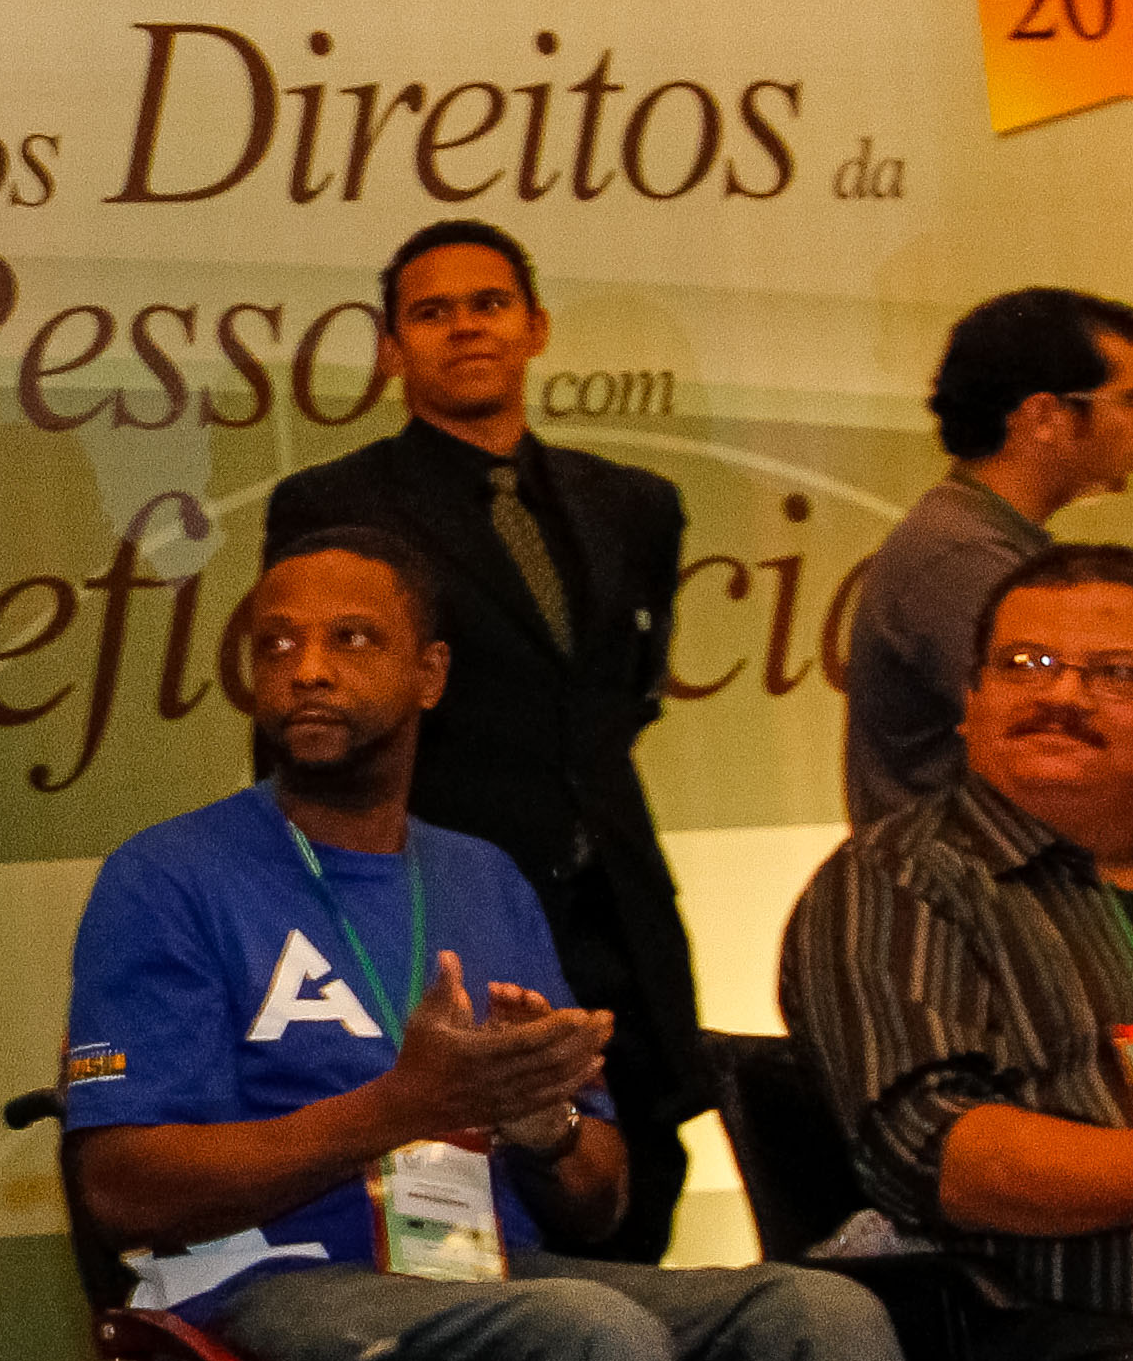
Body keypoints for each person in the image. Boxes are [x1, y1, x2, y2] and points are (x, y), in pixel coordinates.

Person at [63, 529, 888, 1359]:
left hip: (488, 1275)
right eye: (276, 644)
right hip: (268, 1285)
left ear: (430, 674)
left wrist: (545, 1126)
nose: (307, 668)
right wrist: (404, 1105)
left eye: (351, 638)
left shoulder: (484, 879)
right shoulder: (167, 877)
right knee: (588, 1328)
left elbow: (598, 1203)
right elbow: (123, 1190)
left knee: (817, 1310)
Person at [262, 219, 701, 1262]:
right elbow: (310, 728)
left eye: (489, 303)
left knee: (638, 1219)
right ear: (389, 349)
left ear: (534, 327)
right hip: (442, 922)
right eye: (432, 311)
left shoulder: (636, 505)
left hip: (619, 929)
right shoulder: (334, 504)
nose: (465, 327)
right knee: (464, 1254)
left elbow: (619, 701)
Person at [787, 544, 1133, 1357]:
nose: (1060, 695)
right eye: (1023, 664)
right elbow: (935, 1151)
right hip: (1027, 1326)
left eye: (1116, 673)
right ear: (971, 701)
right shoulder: (899, 879)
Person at [843, 288, 1133, 826]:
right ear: (1045, 416)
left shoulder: (980, 538)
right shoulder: (963, 556)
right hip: (972, 874)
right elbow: (1069, 734)